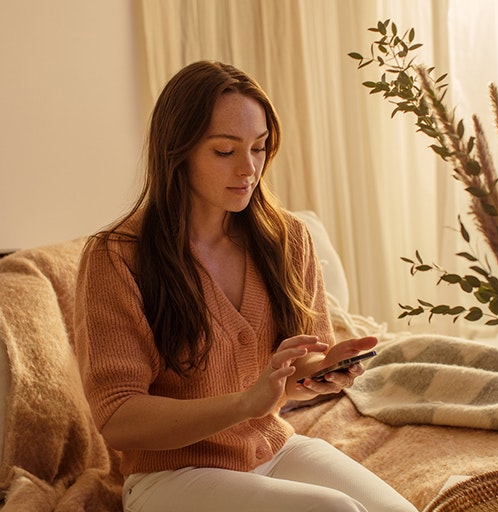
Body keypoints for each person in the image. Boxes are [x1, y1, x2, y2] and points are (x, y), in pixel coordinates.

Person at [74, 60, 417, 512]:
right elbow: (118, 419)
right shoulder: (116, 258)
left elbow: (286, 380)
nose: (248, 169)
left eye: (258, 148)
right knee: (336, 511)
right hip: (170, 476)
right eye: (224, 151)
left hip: (271, 449)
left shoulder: (287, 238)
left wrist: (320, 370)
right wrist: (244, 403)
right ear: (177, 151)